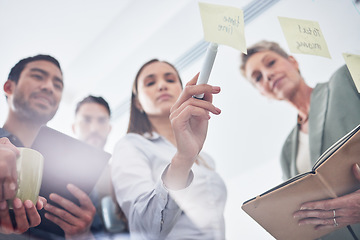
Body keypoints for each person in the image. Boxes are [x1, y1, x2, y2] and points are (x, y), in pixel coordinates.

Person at [240, 40, 360, 239]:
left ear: (292, 61)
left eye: (270, 63)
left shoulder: (346, 78)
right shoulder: (286, 153)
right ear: (261, 92)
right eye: (258, 78)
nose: (267, 75)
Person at [110, 59, 226, 240]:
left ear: (182, 91)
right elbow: (144, 228)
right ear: (138, 103)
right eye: (150, 83)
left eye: (170, 80)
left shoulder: (206, 160)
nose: (162, 85)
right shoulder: (131, 145)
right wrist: (183, 159)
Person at [1, 54, 96, 239]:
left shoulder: (72, 172)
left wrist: (82, 234)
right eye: (37, 76)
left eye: (58, 85)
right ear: (8, 87)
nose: (49, 87)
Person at [72, 95, 129, 238]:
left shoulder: (123, 177)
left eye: (101, 121)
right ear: (74, 127)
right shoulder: (59, 174)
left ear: (109, 128)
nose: (94, 128)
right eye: (86, 120)